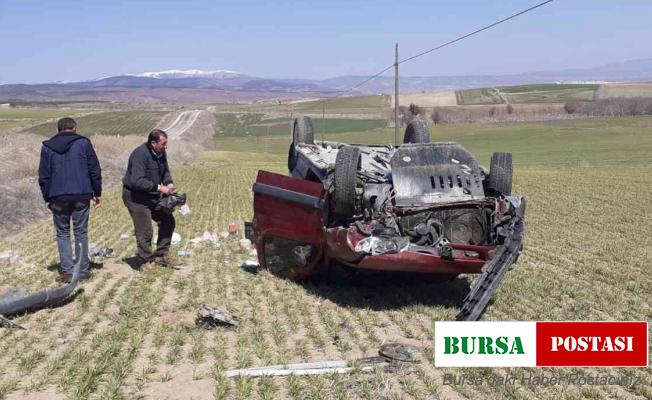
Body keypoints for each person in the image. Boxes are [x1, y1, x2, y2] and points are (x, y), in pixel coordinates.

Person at [38, 117, 102, 283]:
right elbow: (94, 168)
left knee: (62, 233)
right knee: (81, 232)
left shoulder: (47, 147)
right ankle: (82, 269)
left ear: (58, 129)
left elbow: (44, 175)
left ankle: (67, 271)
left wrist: (47, 197)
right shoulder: (83, 143)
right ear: (74, 128)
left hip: (58, 196)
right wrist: (97, 191)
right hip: (81, 194)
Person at [122, 129, 181, 270]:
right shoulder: (139, 155)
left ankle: (162, 255)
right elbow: (137, 181)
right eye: (163, 143)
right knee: (145, 230)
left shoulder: (161, 153)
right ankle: (143, 260)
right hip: (136, 197)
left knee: (168, 221)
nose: (166, 146)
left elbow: (165, 171)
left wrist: (169, 183)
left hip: (152, 196)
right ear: (153, 143)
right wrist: (160, 188)